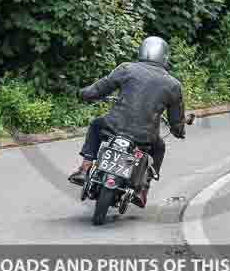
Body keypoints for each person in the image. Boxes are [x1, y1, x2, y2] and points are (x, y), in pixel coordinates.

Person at [68, 36, 186, 206]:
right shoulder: (173, 85)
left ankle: (85, 167)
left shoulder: (126, 69)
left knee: (95, 125)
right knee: (159, 148)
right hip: (145, 136)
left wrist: (84, 94)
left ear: (142, 51)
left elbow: (100, 88)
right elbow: (176, 120)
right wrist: (178, 130)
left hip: (113, 126)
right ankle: (143, 188)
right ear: (164, 56)